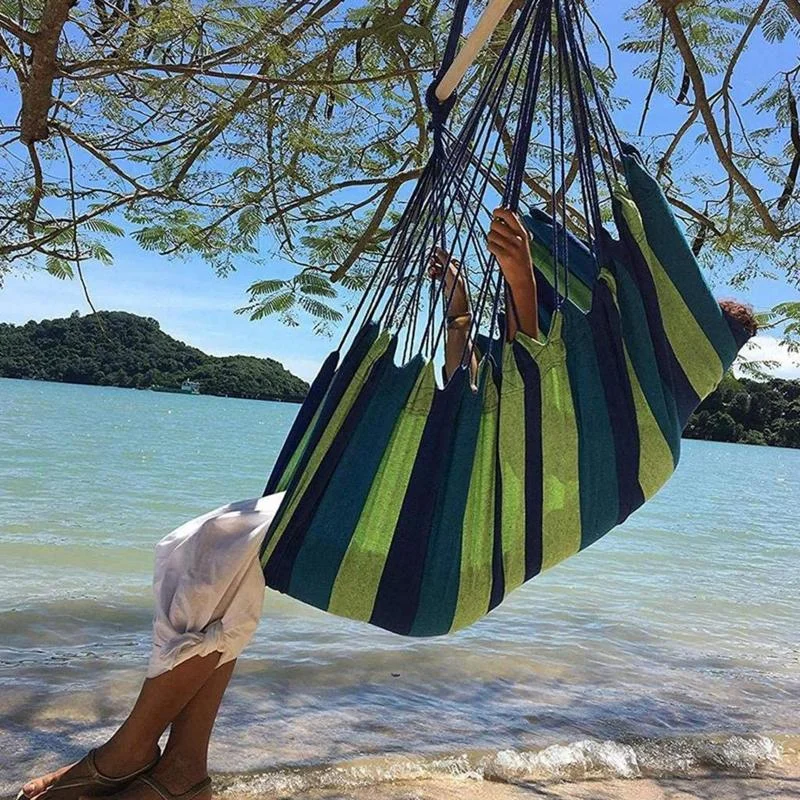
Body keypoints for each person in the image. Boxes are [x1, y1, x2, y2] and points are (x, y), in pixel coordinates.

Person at [17, 210, 757, 800]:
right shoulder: (625, 427)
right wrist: (460, 302)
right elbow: (472, 384)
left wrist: (525, 279)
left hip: (440, 567)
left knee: (215, 550)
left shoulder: (641, 440)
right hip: (438, 556)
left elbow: (546, 402)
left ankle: (127, 752)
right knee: (216, 562)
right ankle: (184, 771)